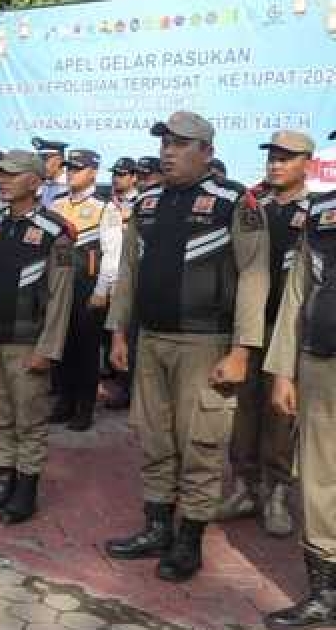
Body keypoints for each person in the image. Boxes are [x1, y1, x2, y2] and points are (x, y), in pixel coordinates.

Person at [104, 111, 270, 583]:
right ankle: (158, 527)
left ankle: (189, 541)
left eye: (180, 144)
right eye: (165, 144)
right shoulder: (147, 202)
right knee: (155, 439)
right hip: (151, 341)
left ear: (207, 152)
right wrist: (118, 333)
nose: (168, 152)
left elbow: (254, 278)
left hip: (206, 344)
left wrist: (242, 350)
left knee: (200, 445)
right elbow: (128, 271)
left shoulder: (234, 202)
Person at [0, 150, 74, 525]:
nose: (3, 180)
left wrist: (49, 348)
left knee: (29, 418)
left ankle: (26, 490)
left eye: (12, 174)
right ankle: (2, 480)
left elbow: (61, 297)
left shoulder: (55, 232)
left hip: (28, 342)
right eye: (1, 174)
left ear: (35, 182)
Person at [217, 130, 313, 537]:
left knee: (280, 412)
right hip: (247, 324)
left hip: (288, 325)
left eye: (286, 158)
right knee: (243, 408)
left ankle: (277, 492)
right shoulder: (253, 206)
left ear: (307, 163)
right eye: (272, 156)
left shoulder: (316, 210)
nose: (276, 164)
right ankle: (244, 486)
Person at [261, 130, 336, 629]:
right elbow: (296, 293)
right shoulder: (323, 212)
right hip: (320, 363)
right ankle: (324, 592)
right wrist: (283, 370)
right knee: (319, 480)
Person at [49, 149, 112, 431]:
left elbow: (112, 253)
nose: (71, 173)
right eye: (69, 168)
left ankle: (84, 408)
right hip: (60, 287)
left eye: (78, 168)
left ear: (93, 172)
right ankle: (64, 402)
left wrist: (101, 290)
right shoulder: (57, 203)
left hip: (88, 288)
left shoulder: (104, 206)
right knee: (62, 346)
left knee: (86, 350)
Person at [100, 157, 140, 410]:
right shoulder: (109, 205)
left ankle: (130, 390)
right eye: (115, 174)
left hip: (130, 279)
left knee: (129, 336)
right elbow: (106, 246)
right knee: (112, 338)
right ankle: (120, 386)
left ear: (134, 178)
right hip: (109, 276)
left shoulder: (142, 204)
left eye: (122, 174)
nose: (117, 178)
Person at [32, 137, 69, 208]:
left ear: (59, 160)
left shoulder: (71, 186)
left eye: (44, 160)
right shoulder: (40, 185)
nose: (40, 165)